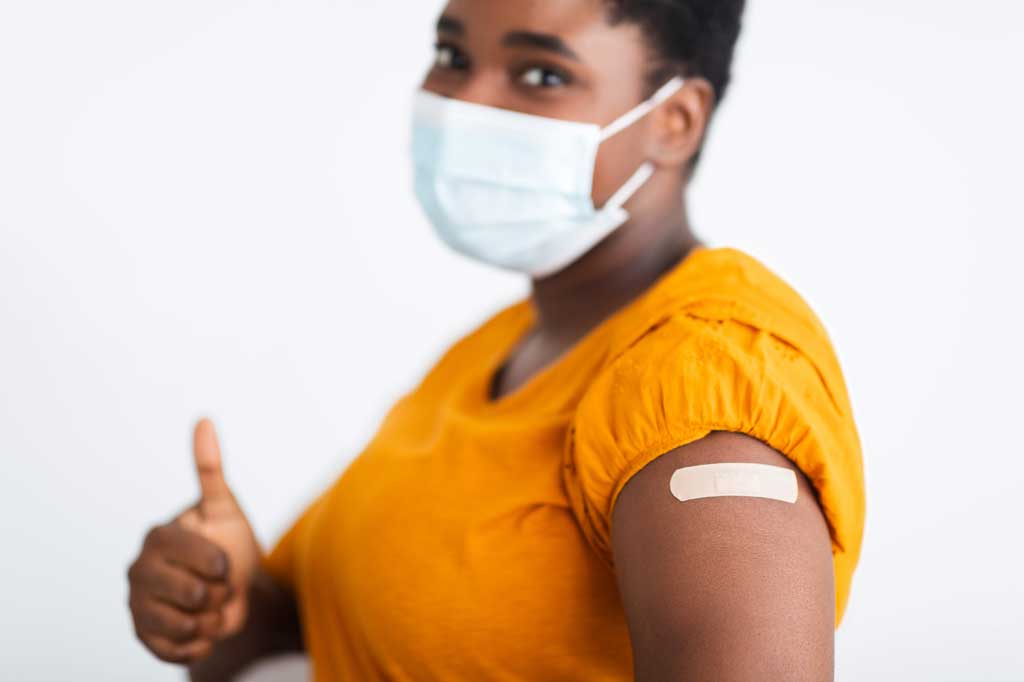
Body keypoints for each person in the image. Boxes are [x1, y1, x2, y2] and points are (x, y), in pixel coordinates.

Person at [126, 1, 866, 680]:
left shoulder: (703, 382)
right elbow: (337, 641)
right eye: (451, 57)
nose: (464, 104)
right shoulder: (498, 349)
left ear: (674, 120)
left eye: (542, 73)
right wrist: (226, 600)